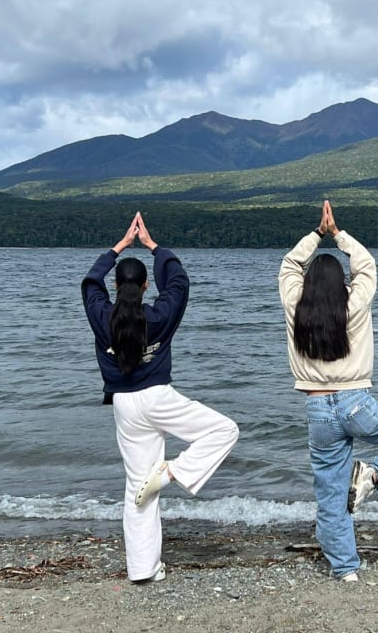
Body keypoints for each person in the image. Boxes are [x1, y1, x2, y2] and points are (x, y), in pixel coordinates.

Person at [81, 212, 239, 583]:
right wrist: (154, 247)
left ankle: (143, 570)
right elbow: (180, 283)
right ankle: (173, 472)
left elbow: (89, 282)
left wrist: (117, 247)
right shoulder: (159, 315)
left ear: (116, 286)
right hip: (157, 398)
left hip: (124, 405)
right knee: (224, 431)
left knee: (138, 490)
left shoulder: (101, 316)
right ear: (147, 285)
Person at [279, 200, 378, 582]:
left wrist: (315, 234)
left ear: (309, 285)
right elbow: (367, 265)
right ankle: (375, 477)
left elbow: (289, 266)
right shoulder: (354, 303)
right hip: (356, 403)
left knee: (330, 496)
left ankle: (346, 570)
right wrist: (337, 234)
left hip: (317, 413)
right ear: (340, 282)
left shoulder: (296, 305)